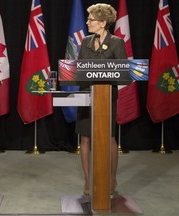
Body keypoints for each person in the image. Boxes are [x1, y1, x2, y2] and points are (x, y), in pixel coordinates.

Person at [75, 3, 127, 196]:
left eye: (91, 20)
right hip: (86, 94)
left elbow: (124, 73)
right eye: (88, 19)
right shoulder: (85, 41)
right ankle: (89, 180)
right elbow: (78, 69)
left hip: (107, 97)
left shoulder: (116, 43)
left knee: (109, 138)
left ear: (103, 23)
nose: (87, 22)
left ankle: (112, 177)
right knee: (85, 138)